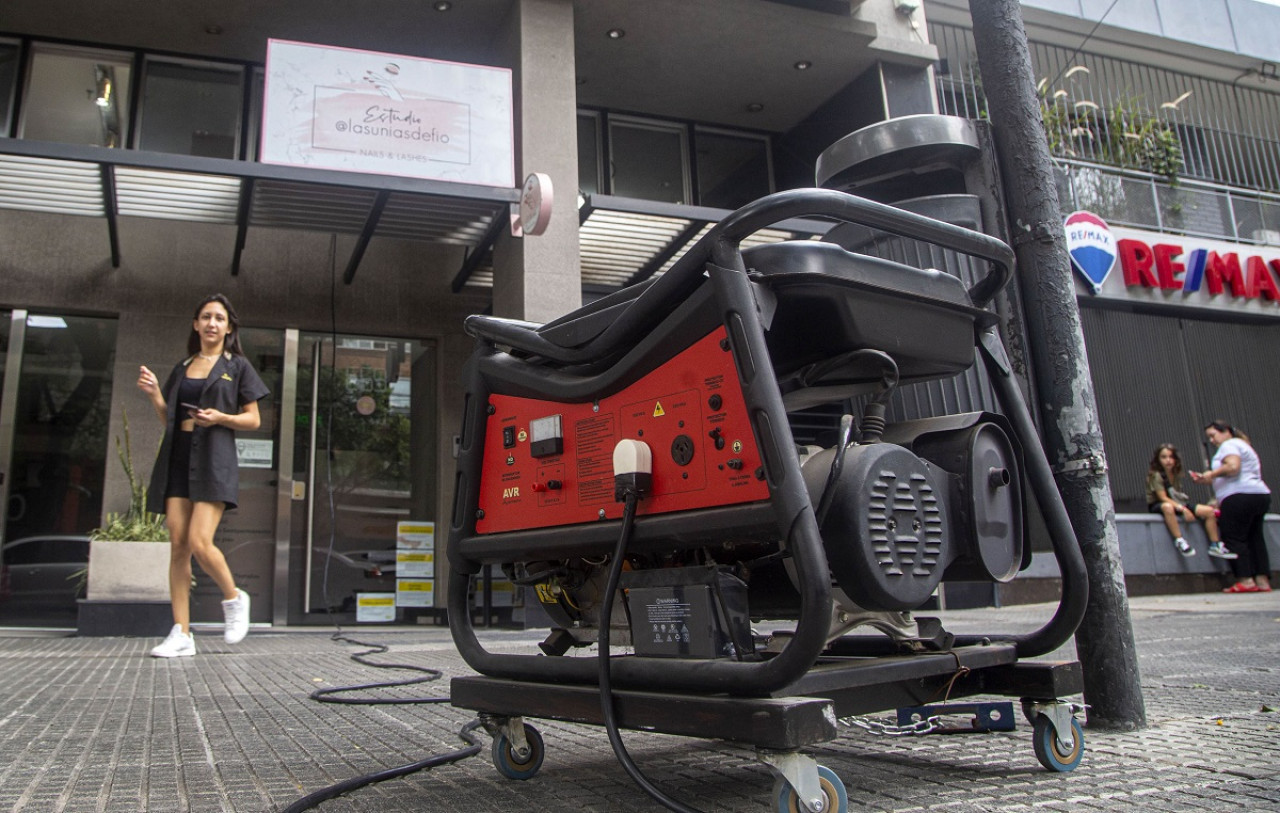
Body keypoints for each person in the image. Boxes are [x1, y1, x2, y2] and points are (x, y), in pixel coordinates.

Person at [138, 294, 270, 656]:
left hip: (213, 457)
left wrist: (221, 418)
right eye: (206, 317)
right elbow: (170, 418)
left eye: (220, 318)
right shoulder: (182, 366)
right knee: (178, 545)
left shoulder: (238, 366)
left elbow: (253, 419)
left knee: (199, 541)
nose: (212, 323)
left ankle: (234, 596)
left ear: (229, 328)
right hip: (177, 457)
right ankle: (181, 633)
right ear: (195, 324)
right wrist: (154, 396)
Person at [1191, 421, 1273, 593]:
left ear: (1226, 432)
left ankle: (1245, 579)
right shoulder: (1244, 445)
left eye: (1213, 435)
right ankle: (1262, 580)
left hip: (1238, 496)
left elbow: (1233, 467)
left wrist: (1210, 475)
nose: (1212, 441)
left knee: (1233, 537)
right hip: (1259, 494)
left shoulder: (1229, 445)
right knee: (1255, 537)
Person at [1145, 443, 1225, 558]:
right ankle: (1179, 540)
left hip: (1177, 502)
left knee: (1208, 511)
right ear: (1158, 459)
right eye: (1164, 457)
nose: (1168, 460)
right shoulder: (1156, 475)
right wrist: (1182, 509)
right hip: (1160, 504)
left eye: (1171, 457)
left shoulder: (1175, 473)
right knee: (1167, 507)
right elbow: (1162, 497)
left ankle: (1215, 544)